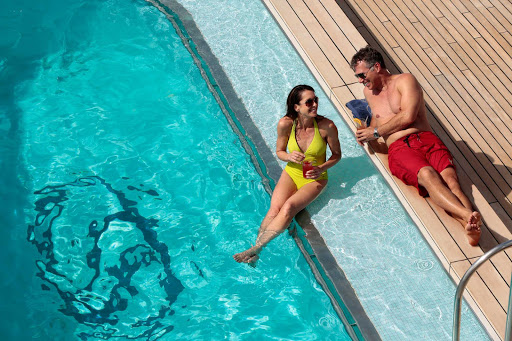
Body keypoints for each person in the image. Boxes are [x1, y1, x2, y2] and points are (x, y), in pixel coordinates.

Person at [350, 46, 481, 246]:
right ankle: (468, 216)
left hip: (426, 139)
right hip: (400, 148)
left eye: (362, 74)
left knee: (451, 180)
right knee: (428, 175)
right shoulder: (369, 93)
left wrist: (375, 132)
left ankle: (470, 225)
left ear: (376, 67)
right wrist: (368, 133)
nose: (360, 80)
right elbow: (378, 120)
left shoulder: (405, 80)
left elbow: (408, 116)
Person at [233, 85, 341, 264]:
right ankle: (254, 252)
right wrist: (289, 156)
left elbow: (337, 155)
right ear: (296, 107)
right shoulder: (286, 124)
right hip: (292, 172)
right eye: (309, 102)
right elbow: (280, 151)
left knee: (289, 207)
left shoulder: (326, 126)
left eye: (316, 100)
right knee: (274, 210)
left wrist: (322, 168)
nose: (314, 104)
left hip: (315, 178)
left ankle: (256, 248)